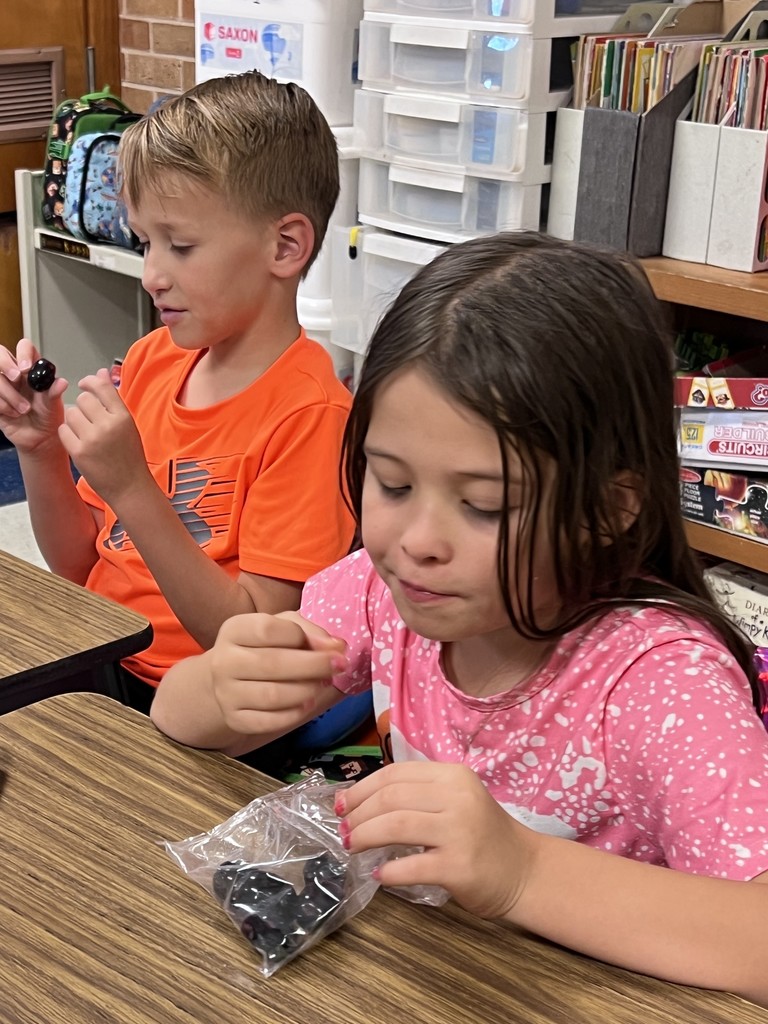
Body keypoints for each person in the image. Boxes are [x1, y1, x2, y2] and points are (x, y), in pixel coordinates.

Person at [150, 232, 768, 1005]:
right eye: (393, 483)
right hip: (433, 983)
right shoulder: (385, 595)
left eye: (484, 505)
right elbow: (178, 720)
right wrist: (218, 687)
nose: (417, 543)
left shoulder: (662, 683)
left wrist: (523, 871)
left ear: (610, 509)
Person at [0, 72, 356, 713]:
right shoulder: (151, 361)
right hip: (101, 651)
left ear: (286, 245)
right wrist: (41, 446)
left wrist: (134, 488)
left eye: (181, 246)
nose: (152, 275)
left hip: (194, 703)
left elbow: (245, 646)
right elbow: (81, 570)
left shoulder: (312, 415)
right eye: (145, 244)